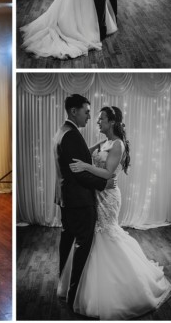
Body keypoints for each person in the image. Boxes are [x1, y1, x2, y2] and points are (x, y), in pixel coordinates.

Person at [59, 105, 171, 319]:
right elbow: (86, 153)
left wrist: (85, 166)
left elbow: (107, 172)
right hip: (96, 193)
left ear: (111, 122)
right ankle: (84, 284)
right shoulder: (105, 142)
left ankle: (121, 287)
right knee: (93, 233)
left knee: (106, 232)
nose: (97, 121)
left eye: (101, 118)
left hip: (109, 197)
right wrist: (82, 158)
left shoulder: (118, 144)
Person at [53, 94, 114, 312]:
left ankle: (64, 285)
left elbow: (73, 165)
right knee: (82, 245)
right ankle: (75, 294)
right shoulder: (72, 135)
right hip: (79, 201)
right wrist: (102, 184)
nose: (90, 117)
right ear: (74, 111)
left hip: (66, 199)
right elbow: (77, 173)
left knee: (67, 242)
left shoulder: (63, 131)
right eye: (87, 112)